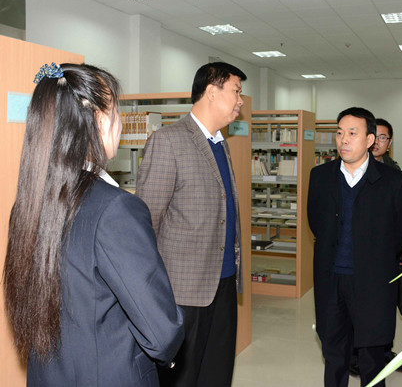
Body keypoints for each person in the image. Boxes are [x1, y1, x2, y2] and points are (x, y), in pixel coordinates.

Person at [3, 63, 184, 387]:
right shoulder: (116, 210)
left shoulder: (27, 205)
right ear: (100, 121)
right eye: (117, 113)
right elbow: (161, 333)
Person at [136, 61, 246, 387]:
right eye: (236, 91)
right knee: (183, 378)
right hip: (183, 291)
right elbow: (146, 224)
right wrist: (153, 294)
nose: (240, 101)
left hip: (224, 283)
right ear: (212, 92)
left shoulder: (221, 144)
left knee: (217, 373)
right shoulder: (168, 142)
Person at [307, 107, 402, 387]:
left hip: (373, 281)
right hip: (331, 279)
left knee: (372, 357)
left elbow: (399, 234)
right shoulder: (320, 176)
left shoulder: (393, 181)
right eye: (339, 133)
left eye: (352, 133)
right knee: (333, 353)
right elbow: (316, 223)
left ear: (370, 140)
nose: (343, 140)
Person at [349, 117, 402, 377]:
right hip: (358, 255)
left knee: (384, 309)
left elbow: (401, 220)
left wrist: (396, 252)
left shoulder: (395, 173)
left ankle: (384, 353)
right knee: (357, 308)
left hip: (387, 255)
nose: (377, 142)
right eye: (375, 135)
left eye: (383, 137)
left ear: (389, 142)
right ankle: (356, 356)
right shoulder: (352, 169)